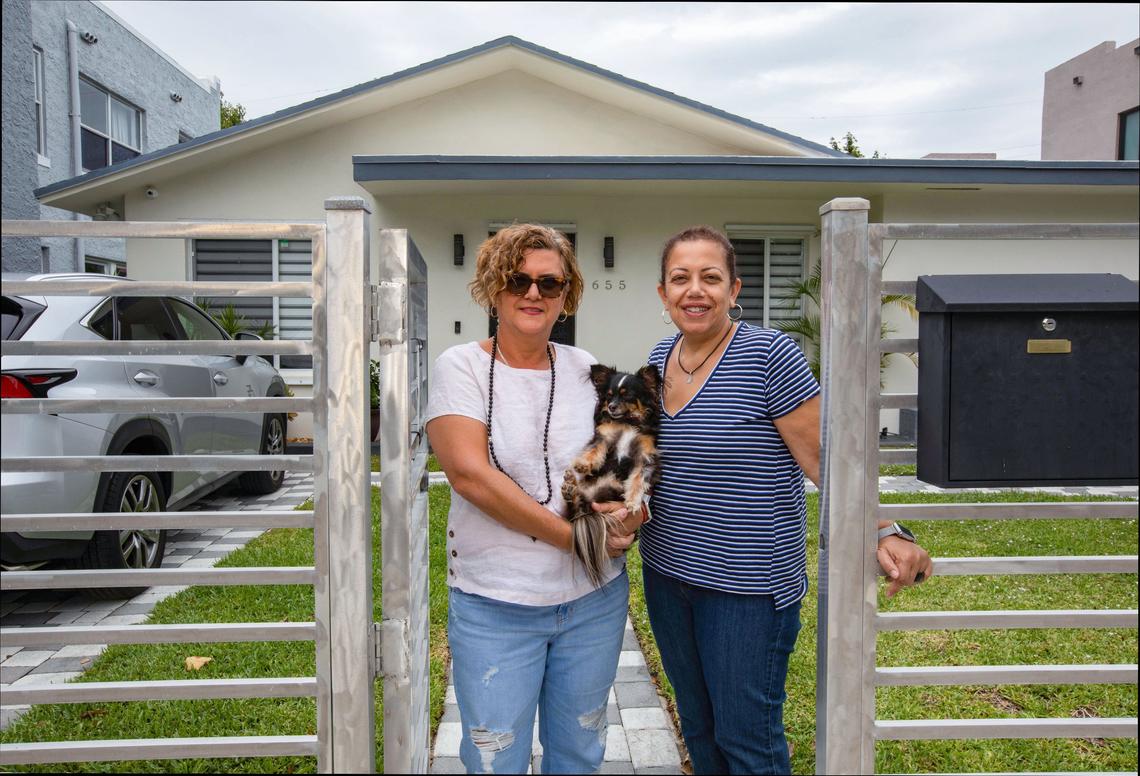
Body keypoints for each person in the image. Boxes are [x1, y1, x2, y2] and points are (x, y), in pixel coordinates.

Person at [601, 225, 933, 775]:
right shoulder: (662, 357)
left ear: (735, 289)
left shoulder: (768, 355)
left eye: (710, 277)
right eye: (680, 278)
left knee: (747, 742)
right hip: (668, 575)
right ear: (663, 294)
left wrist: (883, 527)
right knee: (700, 730)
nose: (695, 290)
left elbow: (826, 459)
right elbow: (661, 458)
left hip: (747, 590)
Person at [425, 224, 636, 775]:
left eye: (550, 283)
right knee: (496, 757)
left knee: (579, 754)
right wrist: (574, 540)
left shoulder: (583, 367)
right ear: (493, 288)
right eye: (518, 280)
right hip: (498, 604)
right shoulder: (461, 367)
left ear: (566, 294)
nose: (533, 294)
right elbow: (470, 475)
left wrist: (623, 515)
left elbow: (610, 457)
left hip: (593, 602)